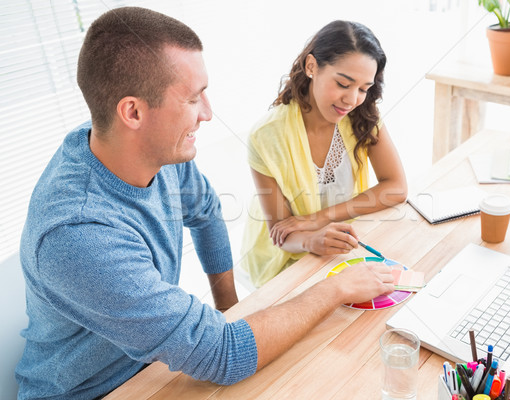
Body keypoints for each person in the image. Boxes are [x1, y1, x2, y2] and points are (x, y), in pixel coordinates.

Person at [15, 7, 395, 400]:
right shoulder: (78, 235)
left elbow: (206, 213)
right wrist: (335, 289)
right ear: (133, 112)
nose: (209, 114)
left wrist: (228, 308)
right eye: (194, 98)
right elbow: (223, 354)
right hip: (97, 391)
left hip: (154, 363)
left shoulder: (140, 148)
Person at [241, 20, 408, 287]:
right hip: (283, 260)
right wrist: (310, 238)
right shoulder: (266, 136)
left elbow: (397, 187)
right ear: (311, 67)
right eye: (343, 84)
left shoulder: (363, 118)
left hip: (341, 248)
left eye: (364, 89)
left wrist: (317, 219)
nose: (352, 100)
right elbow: (281, 231)